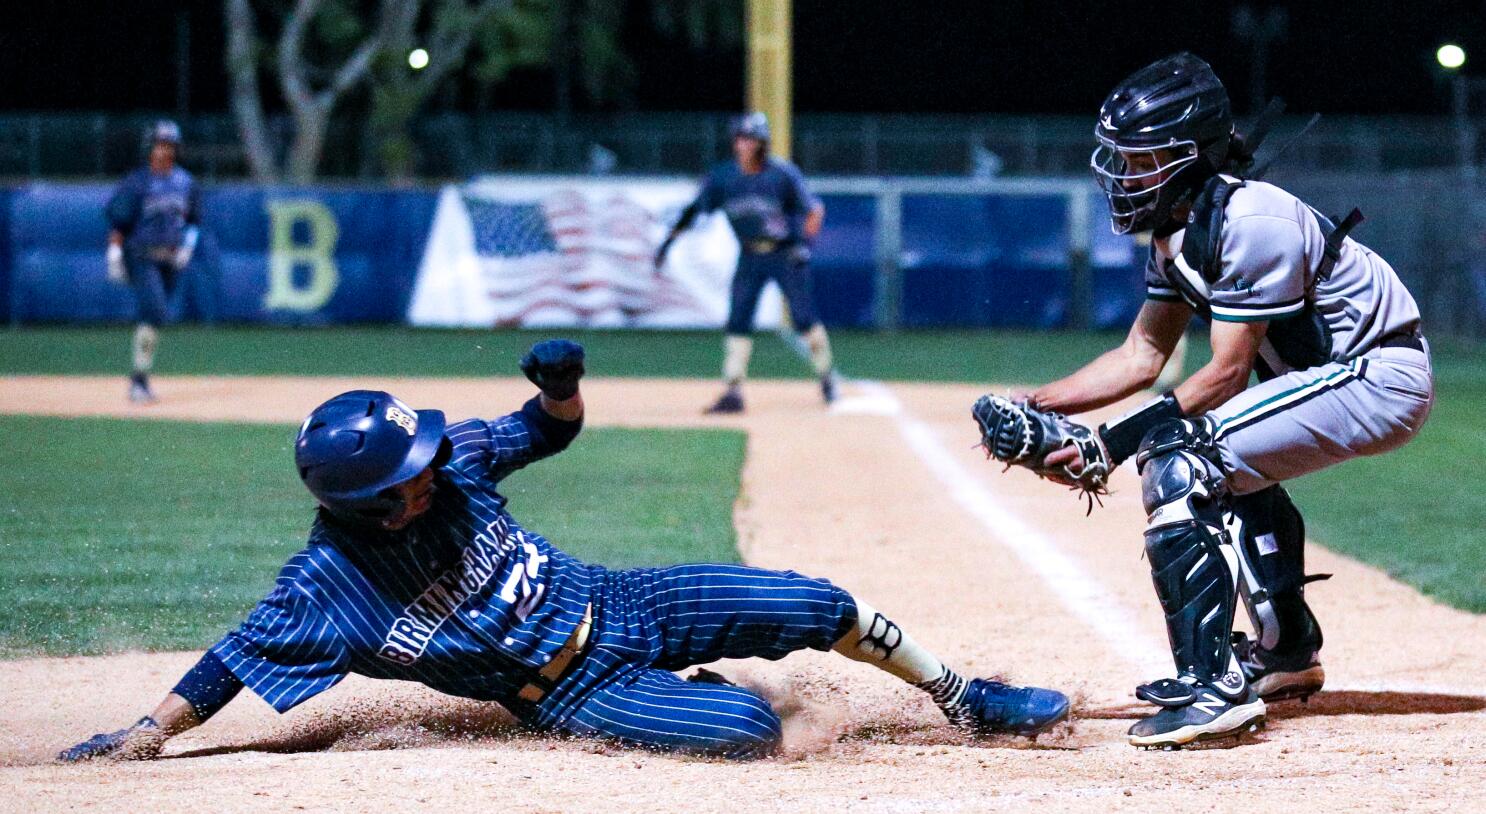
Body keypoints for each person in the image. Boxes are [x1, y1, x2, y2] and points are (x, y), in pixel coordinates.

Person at [58, 340, 1068, 762]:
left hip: (617, 598)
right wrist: (150, 729)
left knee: (816, 602)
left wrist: (559, 387)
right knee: (744, 734)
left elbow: (548, 430)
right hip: (569, 692)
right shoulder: (324, 587)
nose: (429, 465)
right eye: (405, 469)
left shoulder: (451, 461)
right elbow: (233, 658)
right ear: (363, 501)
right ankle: (710, 690)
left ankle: (963, 696)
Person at [973, 53, 1433, 749]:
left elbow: (1224, 372)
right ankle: (1285, 652)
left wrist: (1110, 444)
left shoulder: (1253, 221)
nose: (1124, 177)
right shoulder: (1181, 233)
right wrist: (1036, 401)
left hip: (1376, 377)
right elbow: (1142, 357)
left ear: (1189, 157)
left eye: (1140, 161)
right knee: (1223, 463)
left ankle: (1212, 689)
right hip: (1336, 374)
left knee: (1182, 458)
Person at [655, 112, 837, 414]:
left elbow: (814, 211)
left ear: (762, 141)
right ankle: (733, 390)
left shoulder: (782, 174)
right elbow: (694, 210)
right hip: (750, 254)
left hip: (784, 253)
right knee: (738, 320)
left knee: (804, 318)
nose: (745, 144)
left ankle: (827, 377)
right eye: (741, 138)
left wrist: (805, 246)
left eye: (751, 138)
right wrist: (668, 241)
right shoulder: (725, 178)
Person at [104, 120, 201, 404]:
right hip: (141, 255)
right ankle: (138, 381)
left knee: (154, 317)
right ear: (151, 147)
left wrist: (188, 247)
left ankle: (141, 378)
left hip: (169, 258)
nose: (164, 150)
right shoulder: (137, 181)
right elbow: (120, 221)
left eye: (169, 145)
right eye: (160, 144)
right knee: (154, 309)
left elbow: (194, 221)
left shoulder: (185, 182)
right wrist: (113, 252)